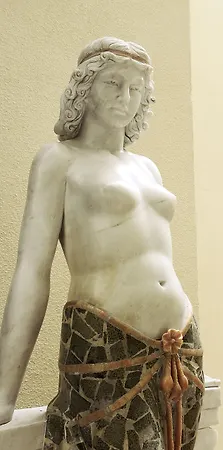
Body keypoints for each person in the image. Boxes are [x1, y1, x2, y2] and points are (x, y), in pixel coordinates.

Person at [0, 37, 203, 450]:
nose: (125, 97)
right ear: (85, 87)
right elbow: (32, 271)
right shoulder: (59, 159)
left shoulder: (148, 168)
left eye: (136, 88)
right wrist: (5, 390)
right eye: (113, 83)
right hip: (104, 338)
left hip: (181, 342)